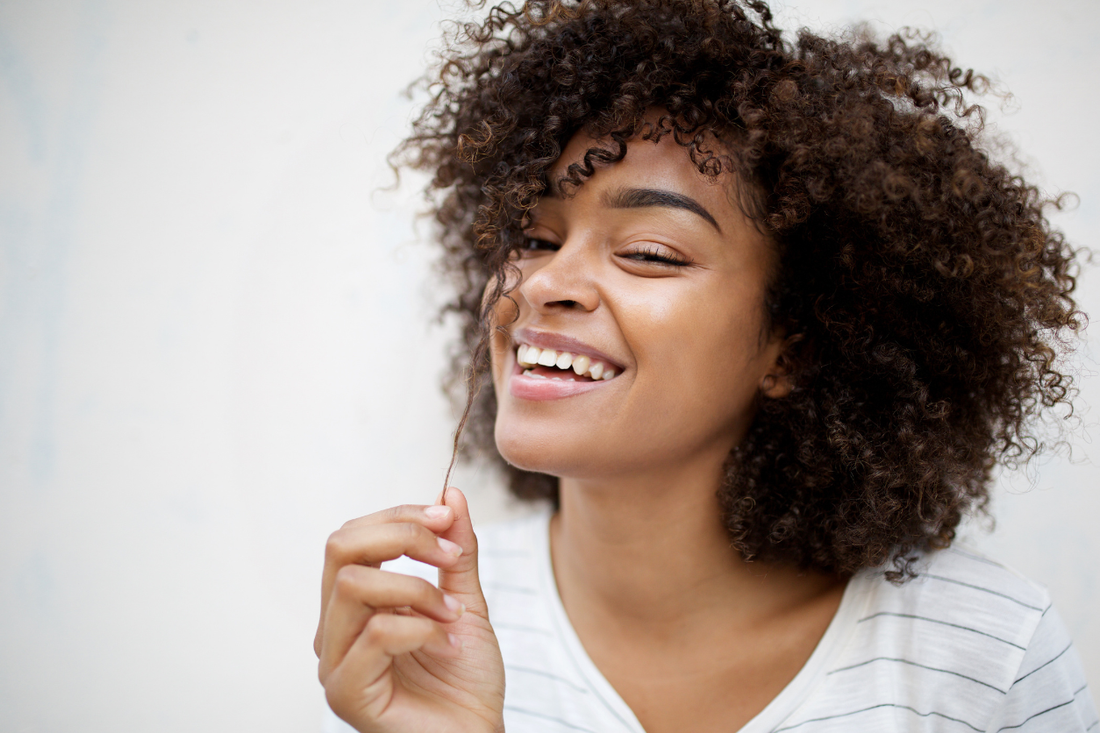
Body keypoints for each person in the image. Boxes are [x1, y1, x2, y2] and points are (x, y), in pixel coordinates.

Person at [314, 1, 1098, 731]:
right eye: (534, 237)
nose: (542, 284)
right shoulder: (421, 637)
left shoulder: (988, 654)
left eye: (649, 252)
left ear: (795, 345)